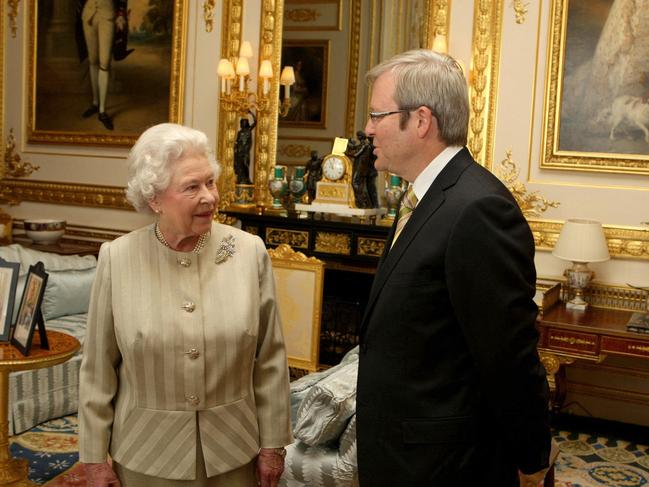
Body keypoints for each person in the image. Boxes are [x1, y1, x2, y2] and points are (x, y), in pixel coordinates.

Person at [356, 49, 551, 487]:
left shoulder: (477, 208)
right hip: (404, 450)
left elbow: (507, 354)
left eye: (377, 115)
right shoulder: (423, 195)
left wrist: (532, 455)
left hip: (445, 464)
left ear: (421, 120)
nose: (368, 129)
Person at [79, 123, 292, 487]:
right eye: (192, 187)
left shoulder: (248, 253)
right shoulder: (117, 258)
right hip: (147, 455)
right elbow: (99, 367)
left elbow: (270, 358)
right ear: (154, 199)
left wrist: (273, 445)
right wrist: (95, 458)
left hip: (233, 452)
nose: (209, 197)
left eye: (210, 182)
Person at [77, 0, 130, 131]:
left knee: (104, 63)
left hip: (108, 14)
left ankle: (102, 111)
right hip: (88, 15)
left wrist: (121, 14)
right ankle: (95, 103)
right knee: (93, 61)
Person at [234, 113, 256, 185]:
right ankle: (241, 179)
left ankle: (247, 179)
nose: (243, 124)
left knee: (245, 164)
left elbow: (255, 122)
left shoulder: (248, 130)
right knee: (240, 166)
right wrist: (236, 149)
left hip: (245, 152)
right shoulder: (240, 132)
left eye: (245, 122)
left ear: (246, 123)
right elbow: (237, 141)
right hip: (240, 151)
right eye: (242, 122)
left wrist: (251, 113)